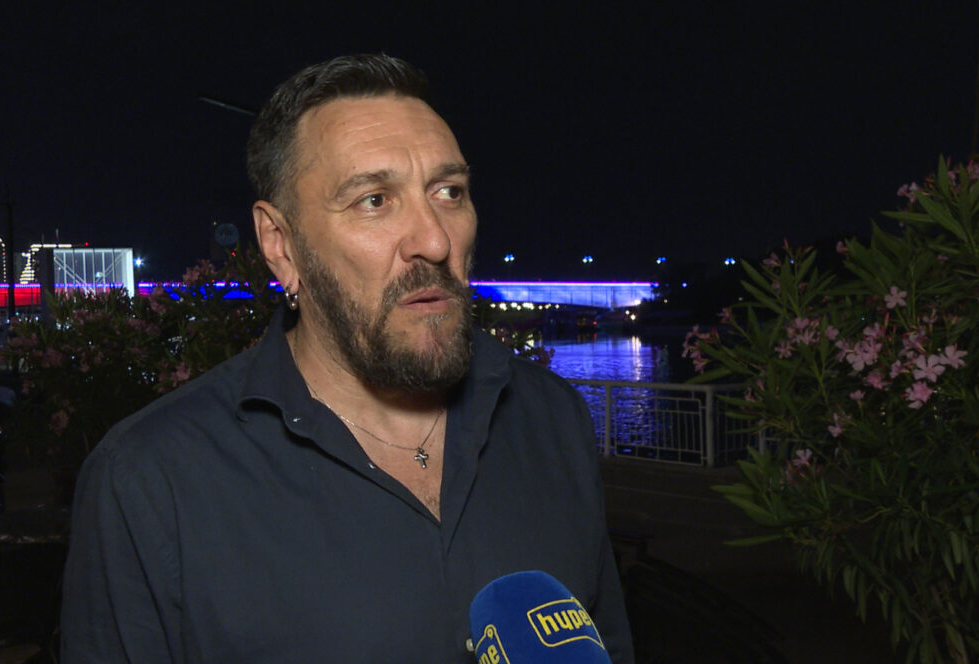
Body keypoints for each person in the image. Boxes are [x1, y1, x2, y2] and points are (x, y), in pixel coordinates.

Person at [61, 54, 634, 663]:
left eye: (449, 192)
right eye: (374, 200)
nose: (435, 239)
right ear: (281, 246)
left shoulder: (553, 420)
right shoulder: (149, 482)